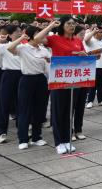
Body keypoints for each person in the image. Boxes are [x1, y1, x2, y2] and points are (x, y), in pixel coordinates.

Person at [34, 17, 86, 154]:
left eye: (73, 24)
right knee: (58, 111)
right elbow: (37, 39)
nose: (72, 26)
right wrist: (51, 26)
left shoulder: (78, 41)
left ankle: (67, 139)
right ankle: (59, 142)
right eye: (69, 23)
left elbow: (84, 57)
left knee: (69, 111)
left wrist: (83, 54)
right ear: (62, 25)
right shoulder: (55, 39)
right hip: (59, 80)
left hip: (74, 80)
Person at [7, 26, 50, 150]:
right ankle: (23, 139)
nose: (42, 36)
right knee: (24, 110)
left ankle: (37, 137)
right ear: (31, 36)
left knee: (39, 109)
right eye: (38, 33)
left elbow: (49, 65)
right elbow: (10, 48)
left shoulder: (44, 50)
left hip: (41, 79)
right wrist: (21, 38)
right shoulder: (23, 48)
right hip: (27, 79)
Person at [0, 25, 21, 143]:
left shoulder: (24, 46)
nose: (20, 33)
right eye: (17, 32)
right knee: (4, 103)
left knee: (21, 104)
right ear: (10, 35)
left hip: (22, 75)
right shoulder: (4, 46)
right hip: (8, 75)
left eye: (20, 31)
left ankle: (21, 130)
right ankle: (2, 132)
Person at [83, 26, 102, 107]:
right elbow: (86, 40)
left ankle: (101, 100)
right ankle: (90, 101)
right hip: (94, 66)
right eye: (100, 32)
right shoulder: (91, 41)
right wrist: (93, 31)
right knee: (92, 85)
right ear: (96, 33)